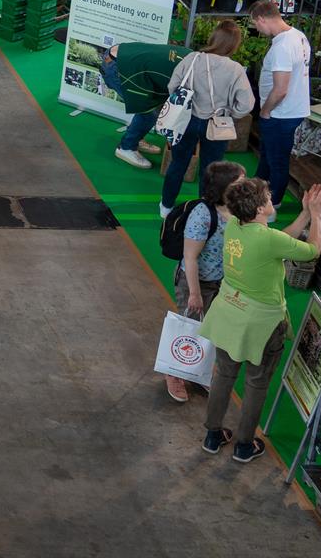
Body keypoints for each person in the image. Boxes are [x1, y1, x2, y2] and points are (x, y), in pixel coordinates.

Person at [199, 178, 321, 463]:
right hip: (262, 324)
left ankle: (212, 435)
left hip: (228, 312)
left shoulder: (236, 225)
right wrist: (317, 215)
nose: (272, 198)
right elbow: (312, 250)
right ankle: (244, 445)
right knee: (256, 384)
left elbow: (279, 240)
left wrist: (305, 213)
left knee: (224, 374)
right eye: (268, 197)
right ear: (260, 209)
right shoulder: (268, 240)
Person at [166, 160, 246, 403]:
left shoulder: (238, 210)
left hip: (221, 282)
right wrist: (195, 293)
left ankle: (199, 372)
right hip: (195, 282)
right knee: (188, 327)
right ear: (223, 187)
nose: (245, 187)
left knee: (213, 329)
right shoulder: (203, 214)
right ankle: (174, 373)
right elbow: (190, 257)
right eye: (239, 183)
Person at [161, 22, 256, 217]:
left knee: (178, 163)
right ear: (234, 44)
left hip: (185, 119)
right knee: (211, 171)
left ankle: (166, 205)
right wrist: (231, 114)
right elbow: (246, 105)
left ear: (214, 37)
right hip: (217, 124)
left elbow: (172, 86)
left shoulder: (192, 58)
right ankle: (203, 211)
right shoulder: (235, 69)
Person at [246, 0, 313, 205]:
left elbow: (280, 89)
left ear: (261, 19)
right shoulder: (298, 36)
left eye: (255, 24)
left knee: (277, 162)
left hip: (280, 113)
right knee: (268, 155)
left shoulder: (282, 47)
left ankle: (272, 205)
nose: (257, 29)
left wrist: (265, 111)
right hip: (291, 109)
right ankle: (256, 194)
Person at [103, 39, 187, 170]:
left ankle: (136, 138)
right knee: (149, 113)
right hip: (118, 67)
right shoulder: (190, 74)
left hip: (121, 56)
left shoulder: (193, 57)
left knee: (152, 108)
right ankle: (126, 147)